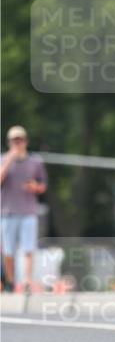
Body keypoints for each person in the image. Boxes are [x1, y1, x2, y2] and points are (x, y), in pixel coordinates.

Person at [0, 125, 47, 292]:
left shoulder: (35, 162)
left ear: (26, 141)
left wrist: (35, 187)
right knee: (8, 251)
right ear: (9, 142)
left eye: (20, 140)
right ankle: (11, 282)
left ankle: (27, 282)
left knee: (28, 249)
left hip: (28, 212)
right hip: (7, 212)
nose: (18, 143)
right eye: (14, 140)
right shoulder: (3, 159)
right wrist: (10, 159)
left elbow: (43, 186)